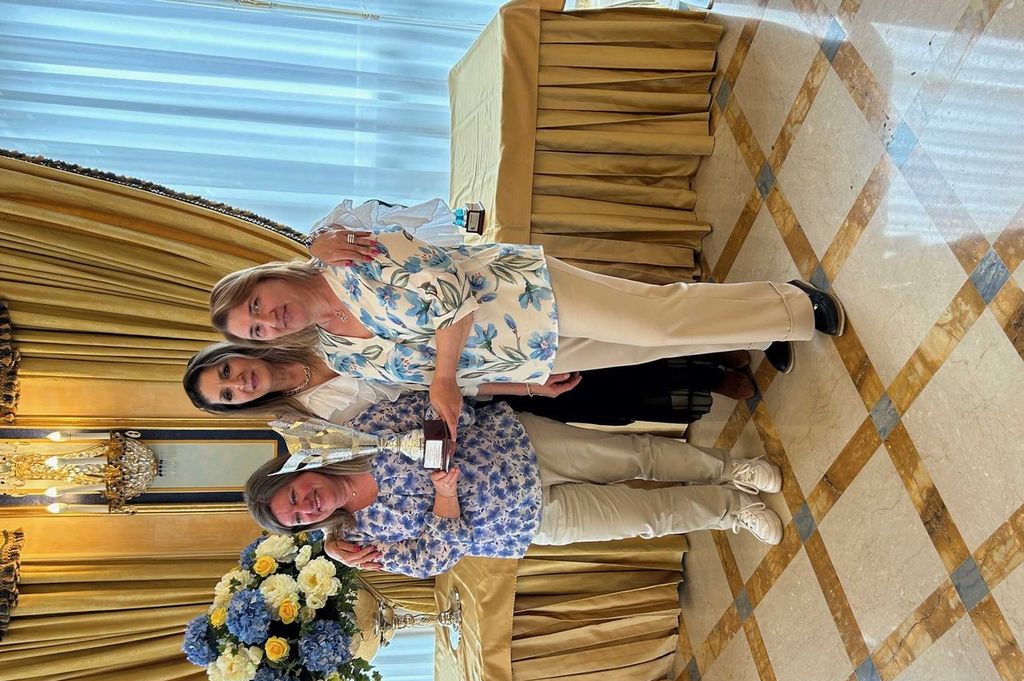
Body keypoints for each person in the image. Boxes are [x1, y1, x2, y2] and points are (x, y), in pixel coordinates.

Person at [209, 224, 843, 441]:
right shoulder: (339, 352)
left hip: (527, 294)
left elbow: (451, 296)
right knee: (654, 343)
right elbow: (429, 378)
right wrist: (524, 384)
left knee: (657, 316)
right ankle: (767, 323)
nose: (270, 321)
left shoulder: (344, 255)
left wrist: (444, 379)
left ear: (267, 278)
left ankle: (794, 303)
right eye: (257, 330)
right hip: (527, 353)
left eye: (258, 305)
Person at [244, 393, 786, 578]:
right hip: (524, 523)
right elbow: (433, 559)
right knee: (646, 520)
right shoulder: (359, 540)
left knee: (636, 455)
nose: (306, 506)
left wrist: (443, 439)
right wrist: (445, 496)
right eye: (298, 518)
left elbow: (431, 407)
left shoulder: (360, 436)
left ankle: (731, 469)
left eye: (294, 496)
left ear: (299, 471)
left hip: (518, 446)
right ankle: (731, 511)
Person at [183, 342, 755, 425]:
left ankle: (708, 349)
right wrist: (526, 390)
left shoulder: (309, 328)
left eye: (226, 371)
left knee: (600, 348)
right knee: (597, 393)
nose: (240, 383)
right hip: (477, 388)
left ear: (235, 354)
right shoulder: (315, 421)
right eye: (228, 394)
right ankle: (710, 381)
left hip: (470, 340)